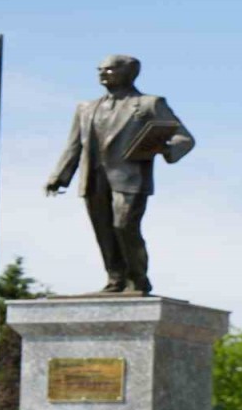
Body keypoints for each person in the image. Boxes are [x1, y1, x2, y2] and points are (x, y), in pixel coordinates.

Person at [45, 55, 195, 295]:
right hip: (94, 178)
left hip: (131, 178)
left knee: (124, 226)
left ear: (129, 72)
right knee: (104, 231)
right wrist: (59, 176)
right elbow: (74, 145)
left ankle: (138, 279)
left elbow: (184, 138)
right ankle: (115, 279)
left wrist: (164, 148)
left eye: (110, 69)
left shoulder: (149, 104)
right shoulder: (85, 108)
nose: (103, 73)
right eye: (100, 69)